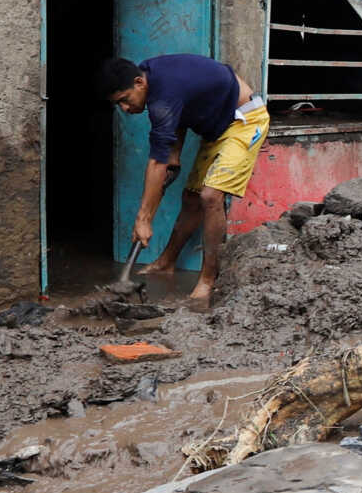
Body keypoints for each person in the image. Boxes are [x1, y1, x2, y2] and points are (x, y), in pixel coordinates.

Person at [100, 53, 269, 310]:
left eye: (125, 100)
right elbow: (182, 107)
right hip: (217, 129)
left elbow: (157, 162)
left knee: (210, 196)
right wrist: (175, 155)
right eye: (118, 104)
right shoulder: (152, 75)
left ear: (139, 83)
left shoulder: (161, 97)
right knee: (192, 197)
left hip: (246, 121)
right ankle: (167, 262)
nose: (124, 108)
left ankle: (208, 280)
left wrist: (143, 219)